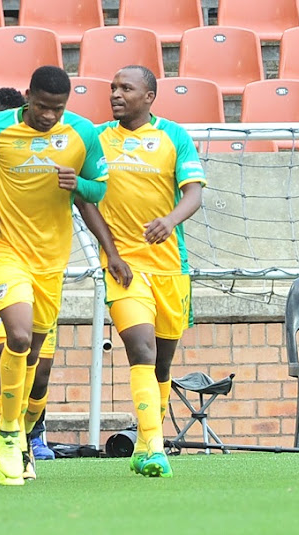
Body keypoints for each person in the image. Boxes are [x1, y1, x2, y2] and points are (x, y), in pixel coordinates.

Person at [0, 65, 108, 486]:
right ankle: (7, 435)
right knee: (18, 338)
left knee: (36, 358)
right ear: (28, 96)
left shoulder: (82, 134)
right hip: (4, 251)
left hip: (51, 260)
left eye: (57, 109)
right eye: (42, 107)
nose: (49, 116)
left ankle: (20, 434)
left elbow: (100, 189)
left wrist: (79, 183)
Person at [75, 65, 205, 478]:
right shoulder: (96, 139)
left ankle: (147, 442)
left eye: (125, 88)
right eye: (112, 87)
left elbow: (195, 193)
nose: (115, 94)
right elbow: (84, 197)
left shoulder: (174, 137)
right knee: (142, 352)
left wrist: (169, 221)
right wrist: (110, 253)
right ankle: (154, 446)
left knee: (162, 364)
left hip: (170, 270)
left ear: (149, 96)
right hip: (124, 268)